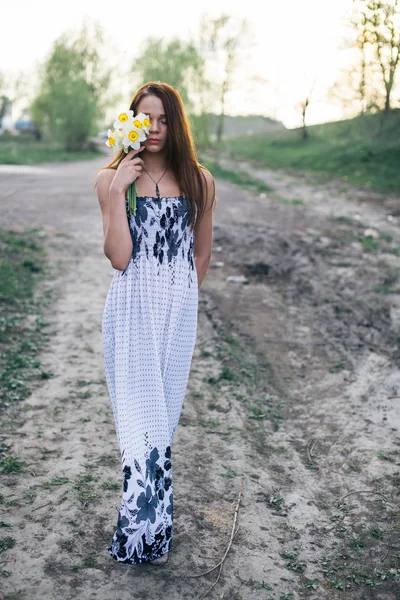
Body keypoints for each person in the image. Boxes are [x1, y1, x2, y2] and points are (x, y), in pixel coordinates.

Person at [95, 82, 215, 566]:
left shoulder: (200, 181)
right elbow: (118, 257)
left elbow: (201, 253)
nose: (156, 130)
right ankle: (141, 533)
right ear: (132, 122)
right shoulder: (109, 180)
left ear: (177, 124)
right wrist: (120, 187)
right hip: (131, 312)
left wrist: (184, 296)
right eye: (146, 120)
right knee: (140, 423)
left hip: (177, 316)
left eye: (165, 120)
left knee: (161, 425)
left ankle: (154, 527)